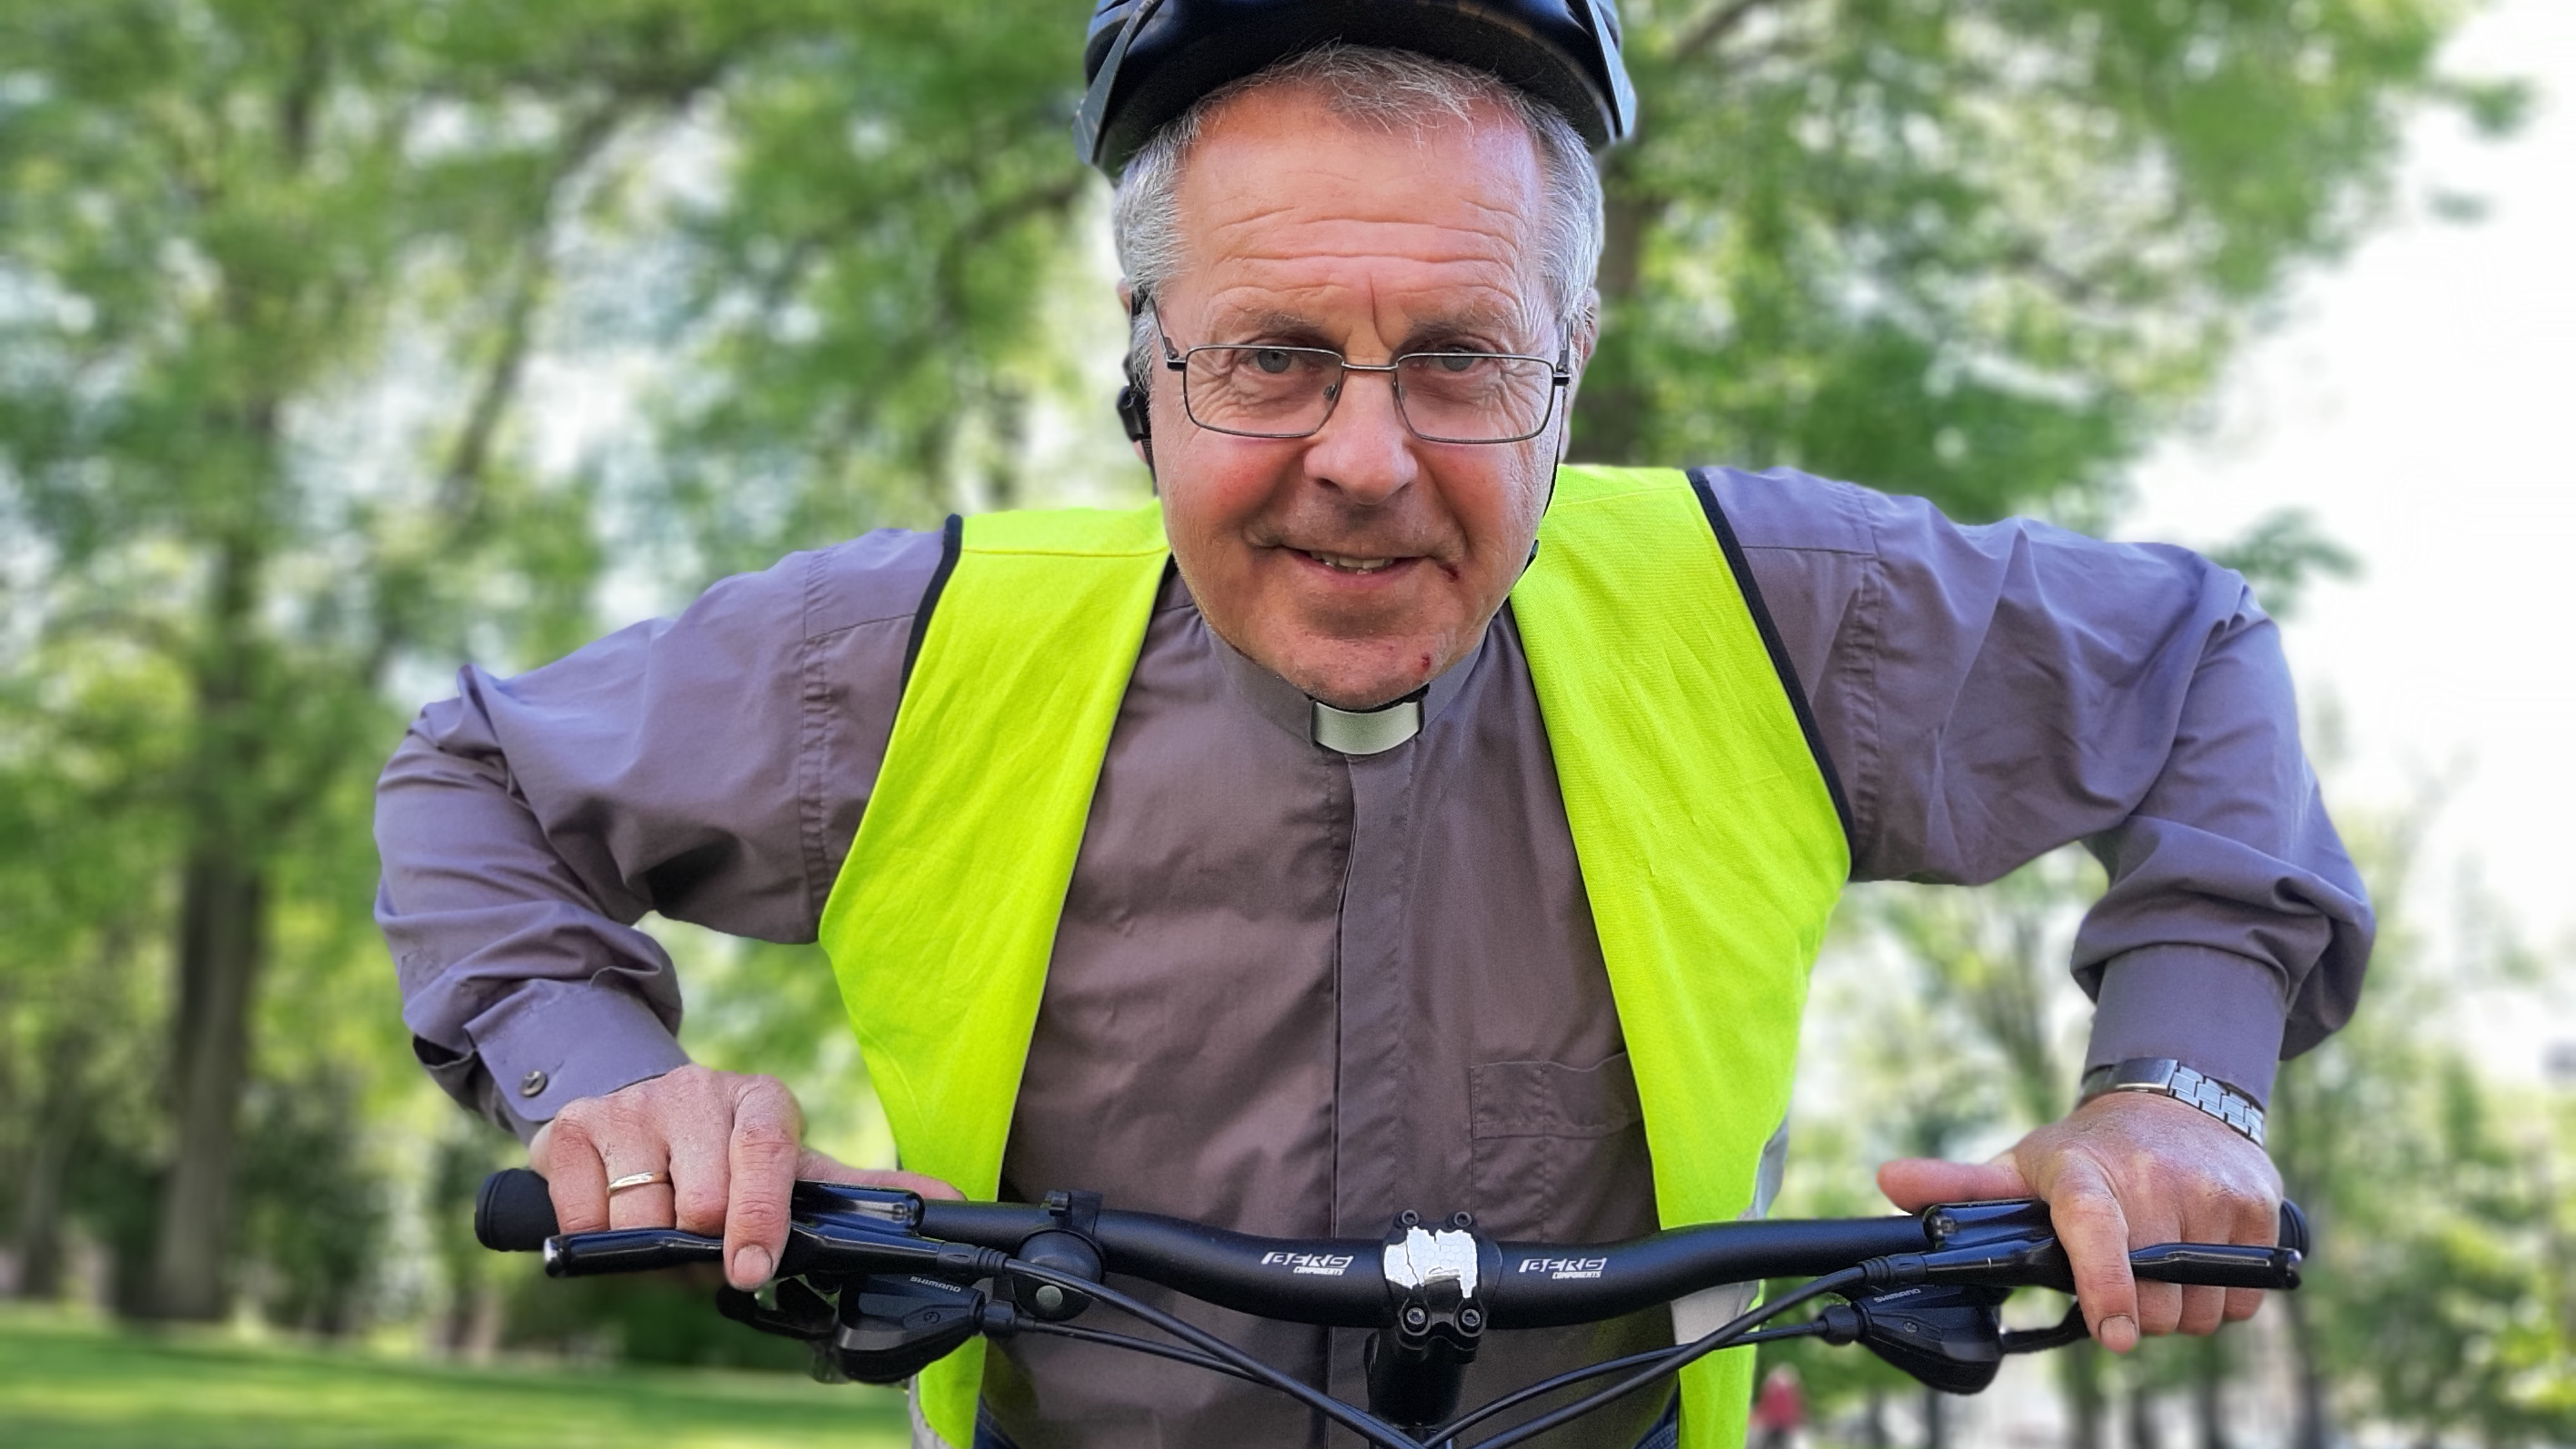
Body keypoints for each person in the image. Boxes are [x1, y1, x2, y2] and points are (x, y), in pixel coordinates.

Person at [373, 5, 2370, 1448]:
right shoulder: (907, 649)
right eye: (1269, 356)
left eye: (1458, 360)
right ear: (1141, 371)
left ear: (1573, 371)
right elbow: (476, 778)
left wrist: (2180, 1092)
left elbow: (2191, 660)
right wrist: (600, 1084)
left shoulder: (1775, 605)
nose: (1363, 458)